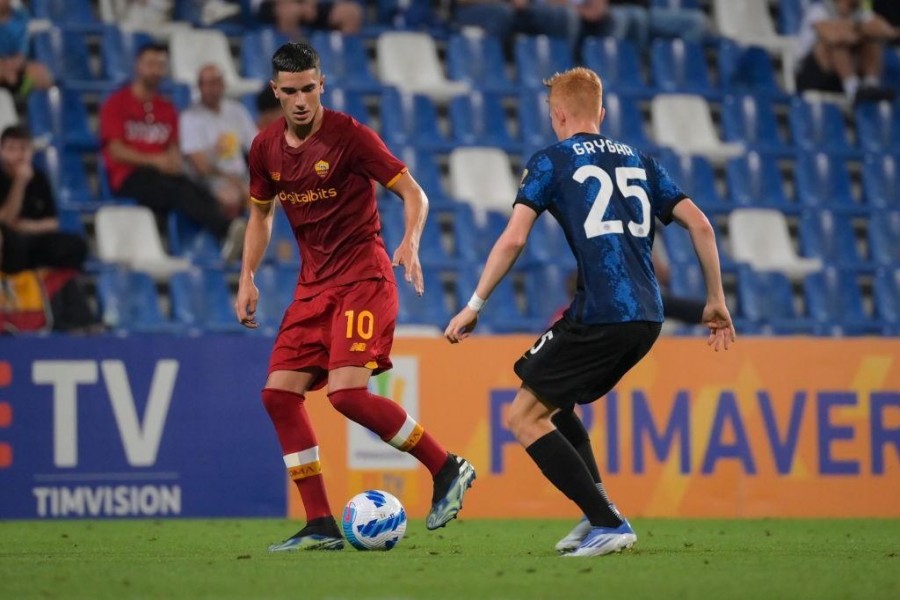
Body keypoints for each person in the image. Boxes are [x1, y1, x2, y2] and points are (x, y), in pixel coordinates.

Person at [445, 67, 734, 557]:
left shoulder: (551, 160)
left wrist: (474, 304)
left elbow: (515, 237)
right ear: (601, 113)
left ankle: (608, 522)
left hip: (603, 312)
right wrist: (716, 300)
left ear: (557, 114)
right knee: (549, 399)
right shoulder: (642, 161)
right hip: (648, 316)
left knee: (523, 417)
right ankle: (597, 510)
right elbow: (702, 226)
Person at [235, 42, 476, 551]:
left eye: (308, 89)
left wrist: (410, 240)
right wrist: (247, 274)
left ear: (320, 85)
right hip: (312, 287)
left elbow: (414, 192)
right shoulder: (264, 149)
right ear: (275, 92)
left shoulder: (350, 136)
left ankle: (446, 465)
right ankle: (320, 524)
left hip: (364, 280)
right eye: (290, 91)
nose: (300, 100)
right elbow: (260, 213)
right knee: (278, 396)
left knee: (346, 394)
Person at [99, 43, 245, 260]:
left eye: (160, 65)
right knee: (177, 191)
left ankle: (231, 237)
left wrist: (172, 161)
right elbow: (116, 150)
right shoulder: (116, 103)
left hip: (163, 174)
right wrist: (155, 161)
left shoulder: (166, 108)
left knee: (194, 186)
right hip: (129, 176)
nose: (155, 70)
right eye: (150, 64)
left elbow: (174, 147)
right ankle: (227, 230)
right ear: (137, 66)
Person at [0, 125, 87, 274]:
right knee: (16, 245)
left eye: (23, 148)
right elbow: (5, 221)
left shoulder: (40, 178)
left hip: (35, 237)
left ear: (31, 151)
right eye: (11, 149)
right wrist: (20, 183)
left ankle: (54, 289)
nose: (18, 155)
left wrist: (26, 227)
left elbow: (54, 222)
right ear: (2, 151)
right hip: (9, 243)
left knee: (76, 245)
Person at [179, 64, 258, 221]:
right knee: (230, 198)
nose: (212, 89)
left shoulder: (237, 110)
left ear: (223, 84)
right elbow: (200, 166)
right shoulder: (189, 118)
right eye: (207, 84)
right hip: (211, 179)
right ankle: (233, 236)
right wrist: (234, 181)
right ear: (200, 87)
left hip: (242, 175)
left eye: (216, 82)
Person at [794, 0, 900, 102]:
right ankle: (852, 88)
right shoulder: (819, 10)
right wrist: (859, 29)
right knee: (838, 42)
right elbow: (832, 36)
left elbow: (884, 30)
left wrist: (861, 31)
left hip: (842, 76)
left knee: (872, 39)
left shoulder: (861, 13)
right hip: (815, 75)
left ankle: (870, 84)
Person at [0, 0, 53, 98]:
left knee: (41, 73)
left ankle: (22, 98)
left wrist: (15, 63)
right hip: (4, 66)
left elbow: (22, 49)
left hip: (17, 68)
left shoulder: (21, 16)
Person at [254, 0, 364, 36]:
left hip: (307, 6)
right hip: (274, 5)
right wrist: (300, 8)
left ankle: (341, 61)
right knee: (290, 12)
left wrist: (309, 4)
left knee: (351, 12)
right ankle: (292, 62)